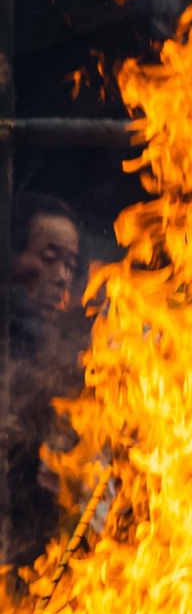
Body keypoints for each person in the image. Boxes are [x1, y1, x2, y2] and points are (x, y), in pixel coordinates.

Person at [5, 192, 85, 567]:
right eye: (50, 259)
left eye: (70, 264)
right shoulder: (12, 316)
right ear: (12, 257)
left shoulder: (55, 346)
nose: (62, 276)